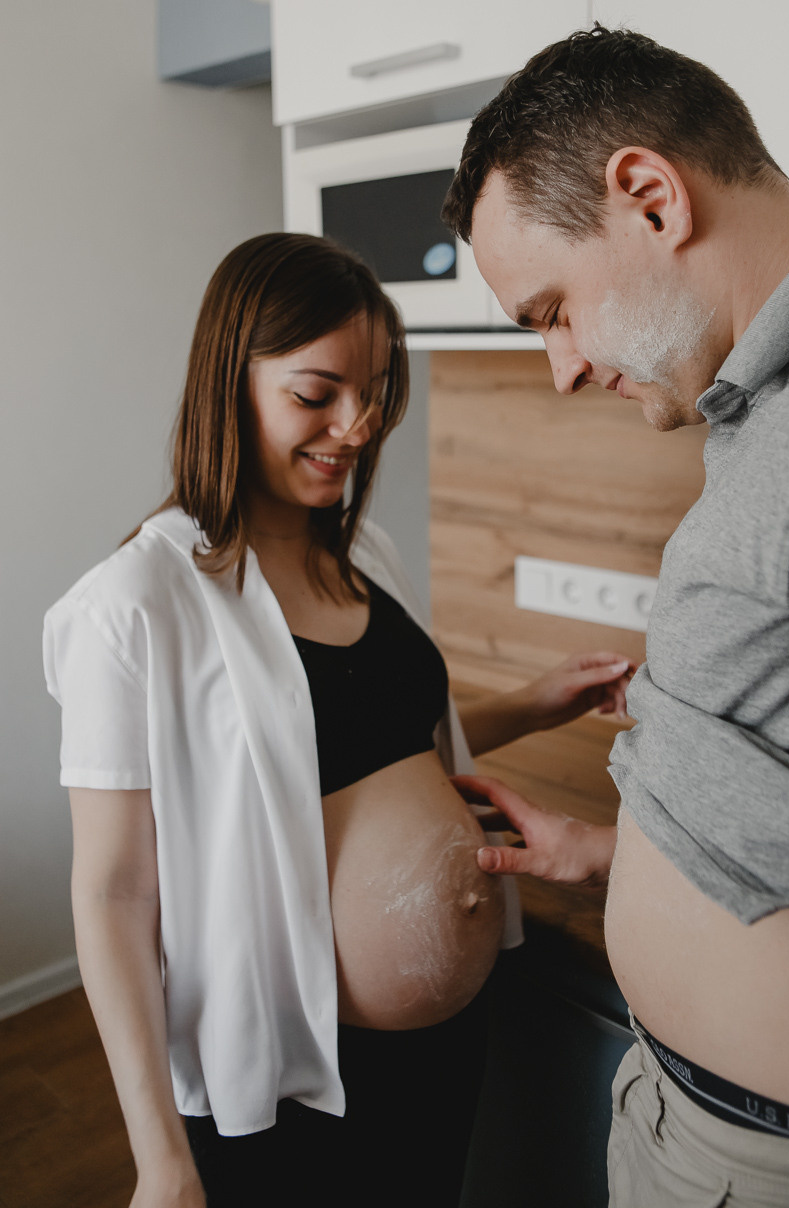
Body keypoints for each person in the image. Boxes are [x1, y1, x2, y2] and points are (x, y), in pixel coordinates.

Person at [43, 231, 634, 1208]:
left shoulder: (366, 554)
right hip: (290, 1074)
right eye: (316, 393)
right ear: (228, 384)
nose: (355, 427)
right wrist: (160, 1159)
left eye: (375, 390)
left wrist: (535, 701)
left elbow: (368, 743)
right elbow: (111, 892)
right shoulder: (134, 606)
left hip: (444, 1040)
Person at [442, 26, 789, 1207]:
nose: (562, 366)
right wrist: (614, 853)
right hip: (691, 1113)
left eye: (552, 310)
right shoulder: (771, 404)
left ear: (651, 197)